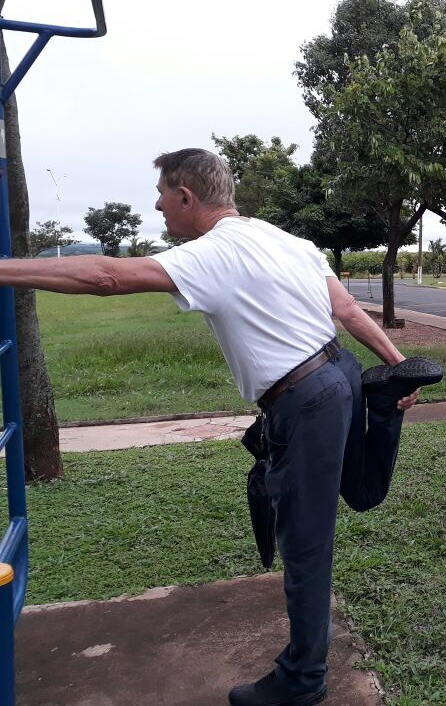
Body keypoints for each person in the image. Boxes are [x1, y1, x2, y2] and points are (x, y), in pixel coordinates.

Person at [0, 148, 415, 706]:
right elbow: (345, 310)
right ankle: (382, 405)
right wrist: (396, 365)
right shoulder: (286, 240)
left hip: (306, 401)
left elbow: (105, 275)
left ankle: (302, 681)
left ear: (186, 196)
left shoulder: (213, 253)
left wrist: (2, 269)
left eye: (162, 195)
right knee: (358, 492)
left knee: (306, 545)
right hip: (338, 372)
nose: (157, 206)